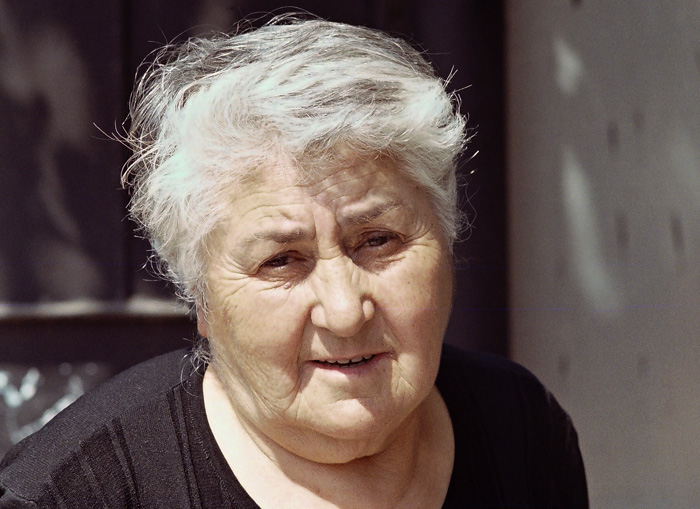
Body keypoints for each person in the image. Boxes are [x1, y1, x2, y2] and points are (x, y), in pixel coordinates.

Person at [0, 16, 588, 508]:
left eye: (378, 240)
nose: (345, 312)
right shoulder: (76, 494)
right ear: (201, 298)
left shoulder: (519, 430)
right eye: (281, 260)